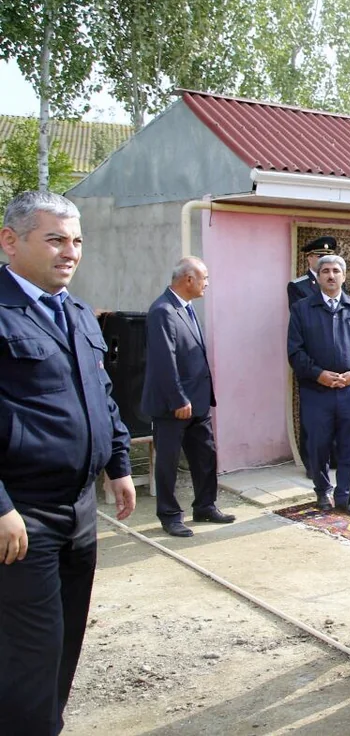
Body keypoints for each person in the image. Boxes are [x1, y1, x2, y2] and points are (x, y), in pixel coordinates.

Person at [0, 191, 136, 735]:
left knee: (64, 643)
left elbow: (102, 397)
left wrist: (119, 463)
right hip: (22, 515)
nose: (70, 252)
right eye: (55, 239)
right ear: (10, 240)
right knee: (29, 651)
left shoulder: (78, 312)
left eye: (77, 241)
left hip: (80, 510)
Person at [142, 256, 235, 538]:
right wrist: (178, 399)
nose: (207, 283)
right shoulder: (163, 311)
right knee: (168, 462)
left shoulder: (187, 308)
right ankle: (169, 515)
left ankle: (205, 505)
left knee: (205, 456)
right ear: (188, 279)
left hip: (198, 402)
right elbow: (163, 361)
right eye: (204, 278)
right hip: (175, 405)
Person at [287, 254, 350, 515]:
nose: (331, 276)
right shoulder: (302, 309)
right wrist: (319, 374)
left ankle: (346, 495)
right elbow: (295, 352)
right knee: (318, 445)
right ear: (318, 276)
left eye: (336, 271)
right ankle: (322, 492)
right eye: (325, 271)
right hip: (316, 391)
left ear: (344, 276)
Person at [288, 235, 338, 304]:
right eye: (321, 256)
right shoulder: (298, 286)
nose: (325, 260)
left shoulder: (338, 281)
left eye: (328, 257)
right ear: (310, 258)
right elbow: (300, 313)